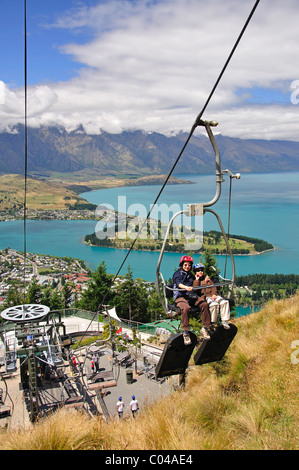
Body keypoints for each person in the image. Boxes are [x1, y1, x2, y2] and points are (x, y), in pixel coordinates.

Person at [172, 255, 211, 345]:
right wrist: (186, 287)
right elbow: (178, 284)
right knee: (185, 308)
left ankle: (205, 328)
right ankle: (185, 332)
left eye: (189, 265)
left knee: (204, 304)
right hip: (180, 296)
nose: (187, 267)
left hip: (190, 295)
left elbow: (195, 285)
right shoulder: (177, 274)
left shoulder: (191, 275)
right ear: (182, 265)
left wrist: (201, 279)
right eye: (185, 265)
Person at [193, 263, 231, 329]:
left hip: (212, 295)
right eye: (198, 270)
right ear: (195, 272)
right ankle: (213, 322)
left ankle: (225, 320)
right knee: (214, 305)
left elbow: (213, 286)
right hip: (205, 297)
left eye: (201, 270)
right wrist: (198, 280)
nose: (200, 272)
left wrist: (214, 294)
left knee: (224, 302)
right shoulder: (195, 280)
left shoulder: (207, 278)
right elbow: (195, 290)